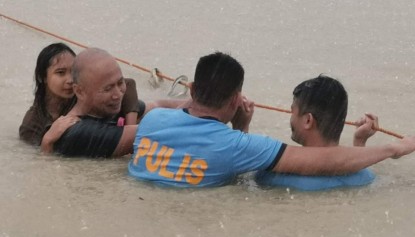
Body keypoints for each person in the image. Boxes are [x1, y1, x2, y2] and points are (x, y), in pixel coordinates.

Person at [127, 52, 415, 188]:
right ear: (235, 100)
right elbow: (324, 162)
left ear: (191, 89)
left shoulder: (152, 120)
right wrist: (392, 148)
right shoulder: (242, 148)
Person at [45, 47, 186, 157]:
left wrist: (198, 99)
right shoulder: (77, 131)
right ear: (80, 91)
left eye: (120, 83)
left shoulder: (106, 106)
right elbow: (152, 132)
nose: (118, 94)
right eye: (108, 89)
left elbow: (158, 106)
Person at [255, 75, 377, 191]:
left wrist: (241, 127)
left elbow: (241, 181)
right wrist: (359, 144)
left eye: (292, 112)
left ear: (308, 120)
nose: (291, 118)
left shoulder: (273, 176)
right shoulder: (365, 176)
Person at [19, 43, 144, 147]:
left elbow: (129, 84)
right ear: (42, 77)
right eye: (61, 73)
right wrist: (47, 139)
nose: (70, 79)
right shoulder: (31, 124)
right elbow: (37, 162)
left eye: (73, 72)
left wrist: (130, 127)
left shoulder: (81, 94)